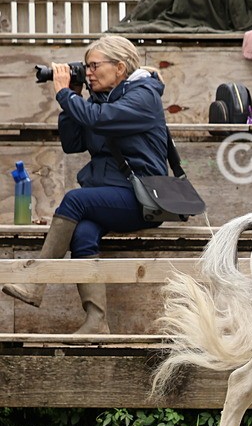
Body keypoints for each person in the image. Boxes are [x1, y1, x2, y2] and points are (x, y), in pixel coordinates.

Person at [2, 35, 171, 333]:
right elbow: (73, 143)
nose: (89, 72)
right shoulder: (100, 100)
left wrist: (64, 95)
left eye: (94, 66)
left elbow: (101, 119)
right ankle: (96, 320)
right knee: (83, 232)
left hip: (144, 196)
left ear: (120, 67)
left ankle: (36, 281)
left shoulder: (143, 95)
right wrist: (73, 95)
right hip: (112, 194)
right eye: (86, 66)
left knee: (74, 200)